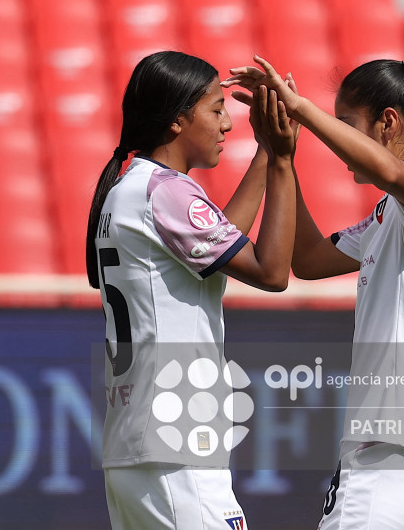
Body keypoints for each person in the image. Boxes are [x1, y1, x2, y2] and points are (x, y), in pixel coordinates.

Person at [223, 55, 404, 530]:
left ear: (387, 122)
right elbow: (306, 259)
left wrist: (302, 109)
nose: (336, 138)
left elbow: (391, 172)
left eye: (345, 123)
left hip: (394, 459)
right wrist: (279, 156)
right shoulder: (392, 214)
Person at [86, 51, 296, 530]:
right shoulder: (166, 192)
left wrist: (265, 150)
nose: (227, 123)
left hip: (137, 447)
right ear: (179, 119)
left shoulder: (133, 189)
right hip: (174, 445)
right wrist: (282, 159)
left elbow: (222, 246)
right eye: (216, 108)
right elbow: (272, 271)